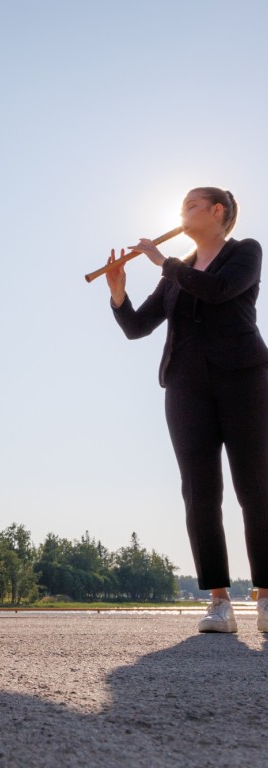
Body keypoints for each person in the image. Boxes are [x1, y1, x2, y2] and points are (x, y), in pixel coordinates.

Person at [105, 187, 268, 633]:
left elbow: (217, 290)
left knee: (254, 487)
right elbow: (138, 327)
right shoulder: (175, 274)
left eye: (192, 205)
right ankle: (219, 603)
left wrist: (163, 262)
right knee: (199, 491)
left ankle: (266, 597)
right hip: (185, 387)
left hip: (244, 381)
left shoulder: (245, 252)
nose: (183, 211)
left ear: (218, 212)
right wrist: (119, 295)